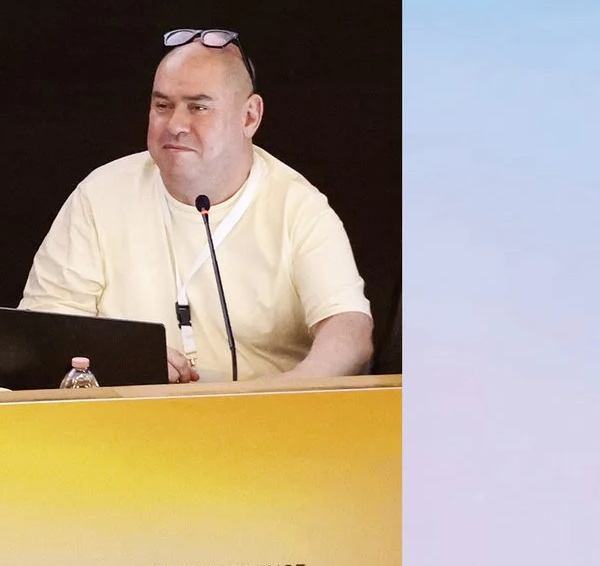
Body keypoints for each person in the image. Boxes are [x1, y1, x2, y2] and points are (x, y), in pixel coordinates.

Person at [20, 29, 373, 382]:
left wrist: (268, 399)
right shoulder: (100, 195)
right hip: (129, 420)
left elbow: (350, 332)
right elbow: (41, 330)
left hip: (265, 423)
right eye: (162, 105)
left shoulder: (297, 206)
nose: (175, 125)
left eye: (198, 107)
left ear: (250, 116)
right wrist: (126, 359)